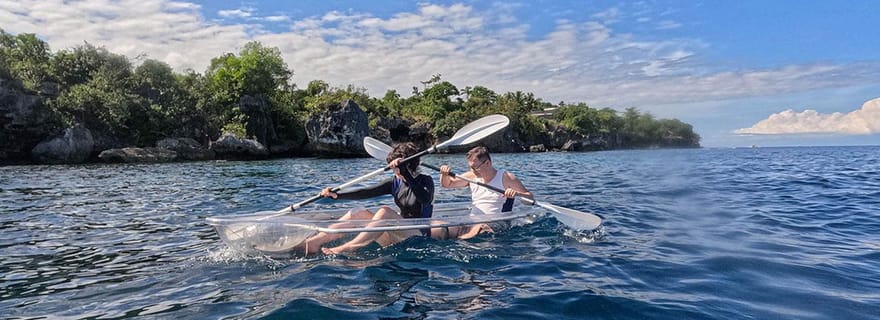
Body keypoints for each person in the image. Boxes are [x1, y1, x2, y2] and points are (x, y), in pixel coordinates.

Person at [298, 142, 434, 255]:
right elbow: (366, 192)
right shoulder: (394, 183)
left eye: (396, 168)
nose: (394, 171)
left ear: (407, 165)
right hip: (398, 234)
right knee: (356, 213)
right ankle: (313, 243)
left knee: (385, 212)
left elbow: (425, 199)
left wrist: (406, 174)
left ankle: (349, 247)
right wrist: (338, 195)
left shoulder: (426, 181)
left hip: (418, 234)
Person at [437, 146, 533, 239]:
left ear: (487, 163)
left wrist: (516, 194)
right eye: (470, 167)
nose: (472, 171)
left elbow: (530, 199)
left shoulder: (506, 177)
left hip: (498, 222)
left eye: (475, 167)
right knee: (443, 229)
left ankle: (464, 243)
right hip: (473, 221)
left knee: (479, 228)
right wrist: (444, 174)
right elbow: (448, 184)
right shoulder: (471, 176)